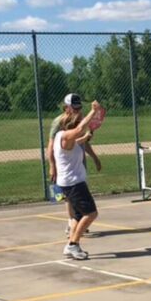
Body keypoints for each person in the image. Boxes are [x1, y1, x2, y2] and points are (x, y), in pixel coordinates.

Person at [47, 93, 102, 237]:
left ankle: (74, 233)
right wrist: (52, 166)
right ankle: (72, 229)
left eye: (79, 108)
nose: (78, 111)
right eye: (74, 108)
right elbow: (52, 147)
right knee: (81, 206)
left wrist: (94, 156)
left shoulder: (78, 122)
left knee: (78, 203)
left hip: (76, 168)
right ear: (66, 108)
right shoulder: (60, 124)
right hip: (68, 172)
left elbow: (79, 140)